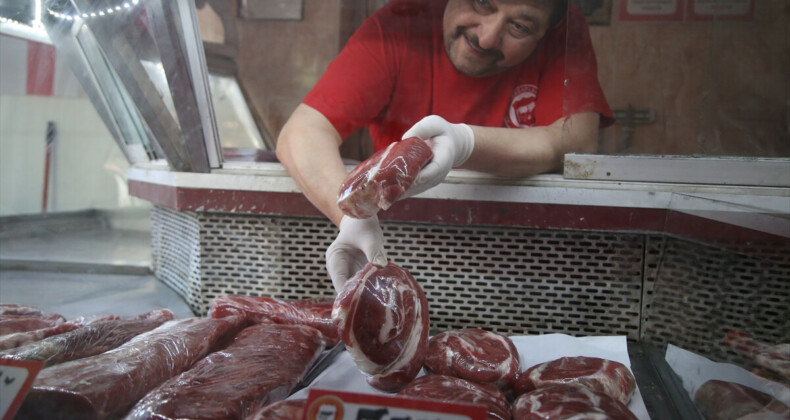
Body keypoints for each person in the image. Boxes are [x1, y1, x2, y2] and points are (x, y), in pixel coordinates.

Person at [276, 0, 614, 291]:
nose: (486, 36)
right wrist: (352, 217)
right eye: (482, 1)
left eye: (519, 27)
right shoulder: (404, 22)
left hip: (524, 260)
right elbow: (303, 131)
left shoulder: (562, 24)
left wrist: (466, 143)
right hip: (404, 249)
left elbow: (576, 140)